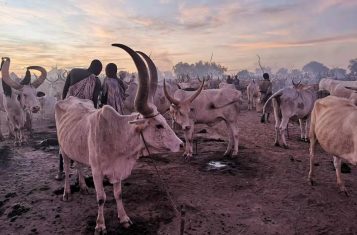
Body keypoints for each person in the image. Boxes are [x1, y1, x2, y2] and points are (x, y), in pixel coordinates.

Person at [55, 59, 102, 180]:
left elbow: (65, 90)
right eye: (99, 71)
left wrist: (64, 104)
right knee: (81, 141)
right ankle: (79, 173)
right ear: (97, 70)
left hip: (68, 111)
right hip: (83, 115)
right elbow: (94, 100)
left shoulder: (74, 71)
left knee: (63, 139)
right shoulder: (96, 81)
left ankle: (60, 171)